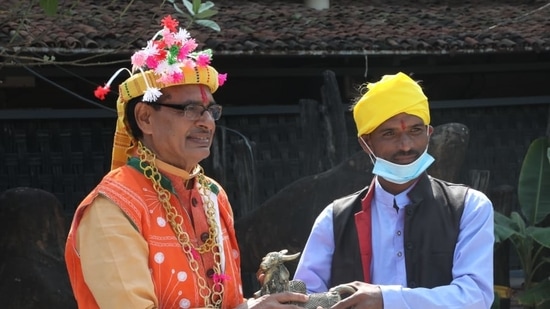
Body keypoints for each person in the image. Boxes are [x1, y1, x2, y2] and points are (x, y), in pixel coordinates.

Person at [64, 15, 308, 309]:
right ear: (145, 118)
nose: (206, 123)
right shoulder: (113, 207)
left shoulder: (213, 196)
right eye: (191, 109)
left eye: (211, 111)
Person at [293, 72, 494, 309]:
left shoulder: (468, 207)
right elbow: (305, 298)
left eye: (415, 130)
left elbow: (476, 297)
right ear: (366, 142)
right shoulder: (335, 219)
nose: (406, 145)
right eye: (390, 133)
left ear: (429, 133)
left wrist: (385, 299)